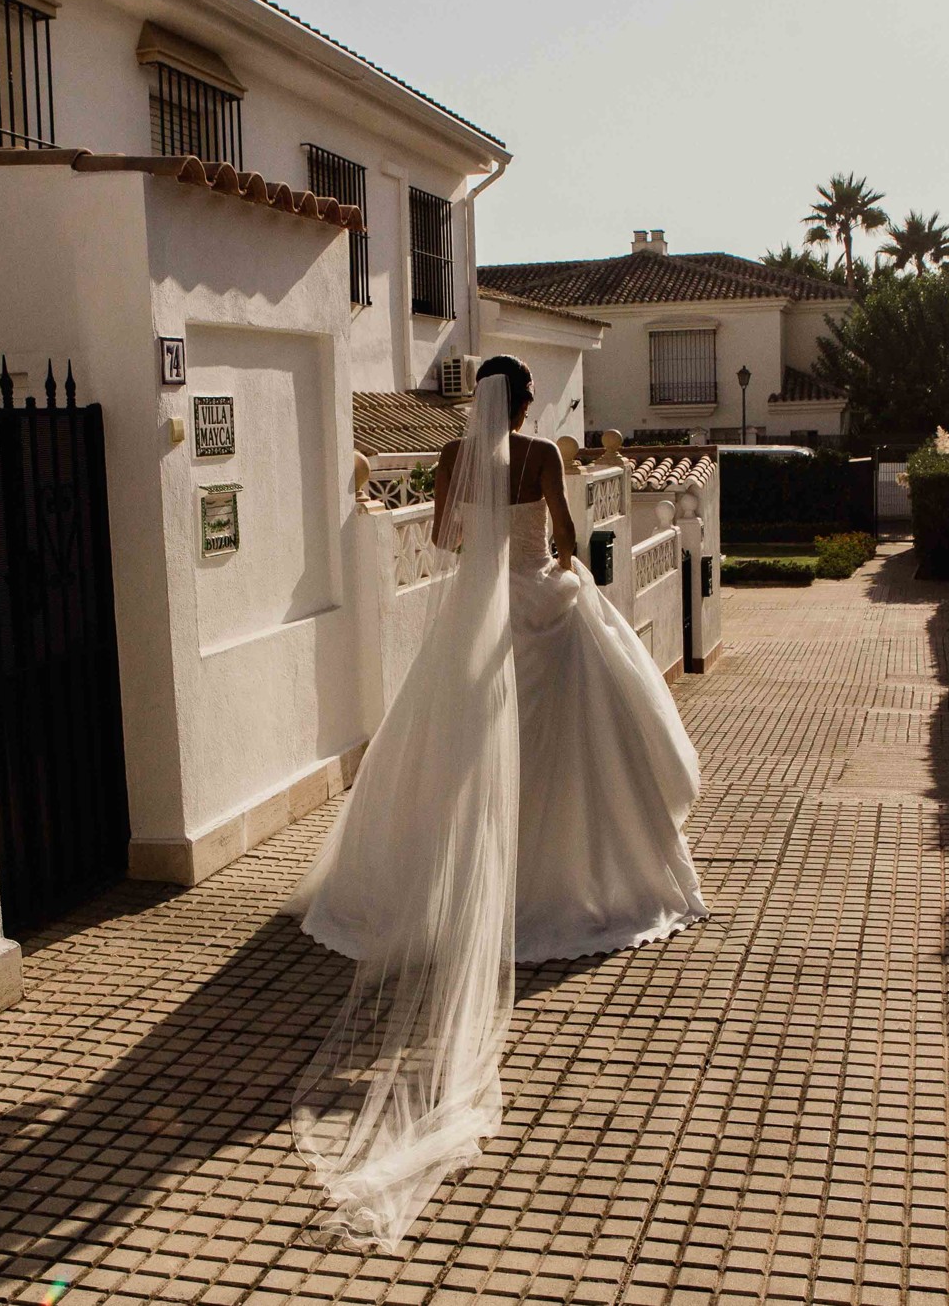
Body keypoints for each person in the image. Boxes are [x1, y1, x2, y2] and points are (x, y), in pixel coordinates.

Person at [283, 355, 706, 1249]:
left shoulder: (447, 457)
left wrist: (484, 550)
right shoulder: (546, 454)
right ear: (522, 404)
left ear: (475, 400)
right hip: (540, 617)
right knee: (570, 754)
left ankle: (459, 886)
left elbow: (440, 541)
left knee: (452, 761)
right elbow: (561, 540)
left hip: (476, 628)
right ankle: (563, 878)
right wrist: (538, 562)